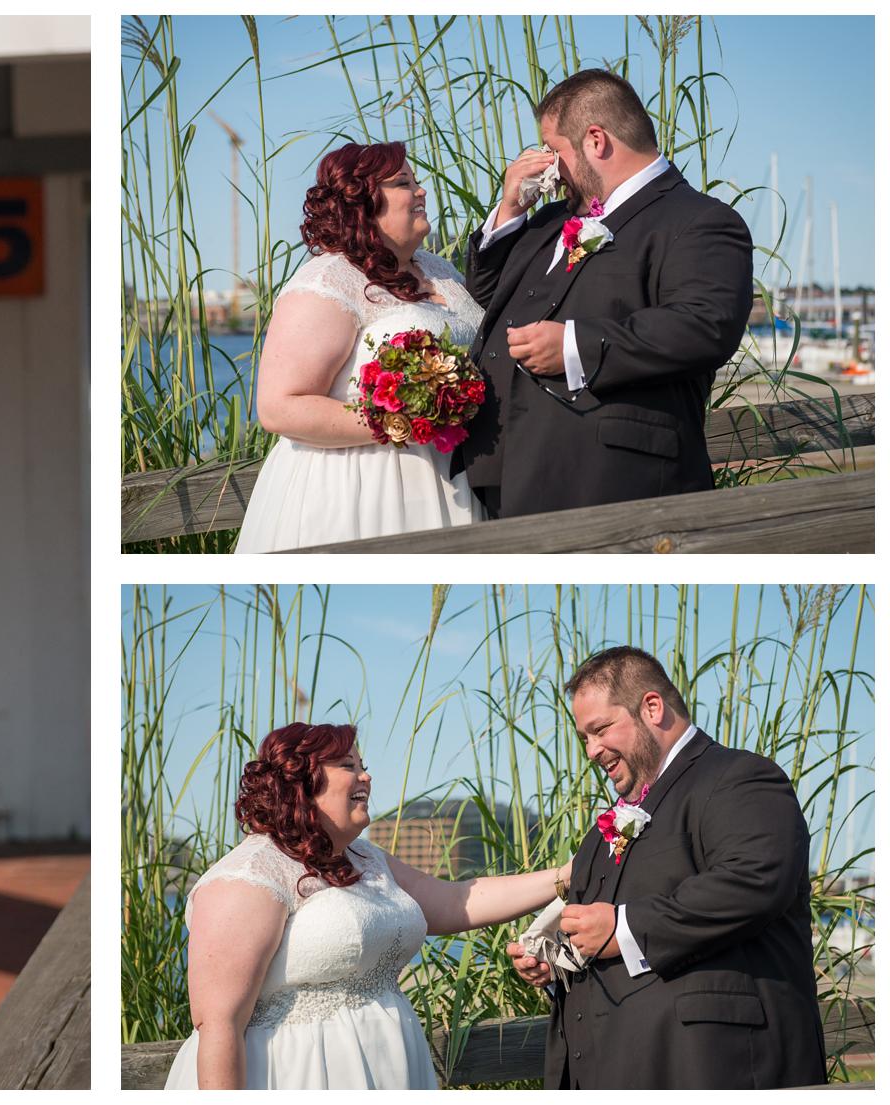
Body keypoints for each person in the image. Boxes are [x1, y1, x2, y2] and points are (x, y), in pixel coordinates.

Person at [166, 723, 569, 1089]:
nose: (366, 776)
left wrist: (567, 875)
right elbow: (218, 1026)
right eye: (348, 765)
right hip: (297, 1077)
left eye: (363, 764)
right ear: (301, 783)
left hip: (389, 1068)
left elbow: (455, 901)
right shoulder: (248, 876)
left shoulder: (365, 858)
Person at [504, 647, 824, 1089]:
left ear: (652, 707)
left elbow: (753, 881)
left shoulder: (739, 777)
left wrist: (622, 928)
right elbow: (604, 942)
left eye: (600, 730)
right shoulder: (602, 832)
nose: (592, 750)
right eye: (584, 738)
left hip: (715, 1072)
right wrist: (558, 965)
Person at [458, 69, 754, 518]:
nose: (549, 166)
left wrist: (574, 346)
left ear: (596, 140)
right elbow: (486, 294)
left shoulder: (699, 221)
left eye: (555, 150)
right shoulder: (548, 219)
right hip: (501, 477)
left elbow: (704, 324)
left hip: (607, 480)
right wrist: (510, 210)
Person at [235, 141, 485, 553]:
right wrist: (402, 418)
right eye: (404, 182)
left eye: (417, 181)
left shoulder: (439, 270)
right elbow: (280, 406)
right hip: (363, 489)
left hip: (452, 477)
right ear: (362, 201)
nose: (421, 191)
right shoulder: (327, 283)